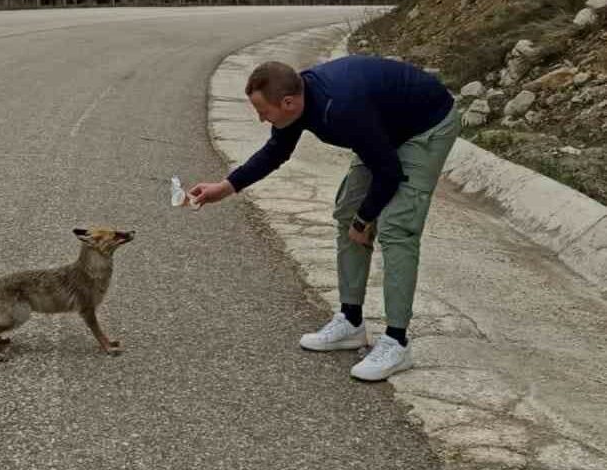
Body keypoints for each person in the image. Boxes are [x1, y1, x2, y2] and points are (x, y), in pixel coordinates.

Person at [189, 55, 461, 381]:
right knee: (348, 212)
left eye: (263, 113)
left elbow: (389, 173)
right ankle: (350, 322)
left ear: (288, 102)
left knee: (396, 228)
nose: (262, 120)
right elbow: (277, 151)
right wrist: (226, 187)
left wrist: (365, 220)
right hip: (384, 127)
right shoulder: (300, 101)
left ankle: (397, 342)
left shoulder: (342, 108)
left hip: (426, 126)